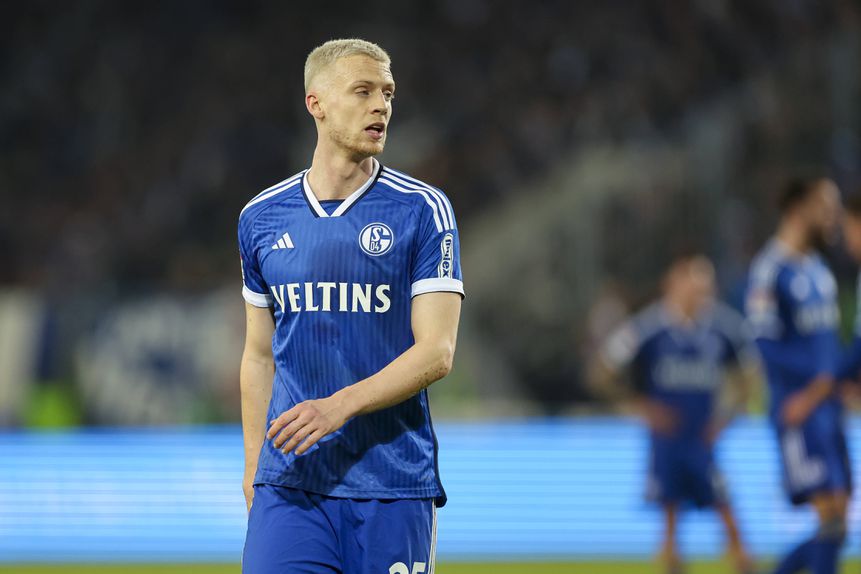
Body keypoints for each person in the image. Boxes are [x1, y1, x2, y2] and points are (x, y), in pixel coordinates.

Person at [237, 39, 464, 573]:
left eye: (388, 93)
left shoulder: (422, 210)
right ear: (316, 103)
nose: (380, 105)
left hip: (392, 481)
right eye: (363, 91)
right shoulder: (261, 217)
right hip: (290, 484)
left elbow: (437, 351)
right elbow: (258, 355)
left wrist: (338, 406)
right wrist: (253, 470)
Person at [594, 253, 757, 574]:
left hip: (702, 438)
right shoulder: (649, 327)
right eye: (695, 285)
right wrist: (641, 408)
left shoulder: (723, 327)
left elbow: (750, 376)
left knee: (726, 511)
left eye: (706, 287)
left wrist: (727, 418)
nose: (702, 293)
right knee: (669, 516)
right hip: (667, 438)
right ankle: (673, 565)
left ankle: (744, 565)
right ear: (673, 283)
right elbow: (602, 370)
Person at [745, 177, 849, 574]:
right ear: (798, 209)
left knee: (837, 525)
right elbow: (763, 342)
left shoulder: (819, 270)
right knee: (829, 517)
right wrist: (815, 381)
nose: (834, 217)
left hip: (828, 405)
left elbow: (827, 342)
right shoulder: (769, 269)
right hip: (799, 407)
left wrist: (840, 380)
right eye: (825, 207)